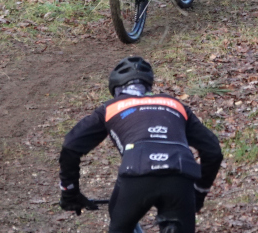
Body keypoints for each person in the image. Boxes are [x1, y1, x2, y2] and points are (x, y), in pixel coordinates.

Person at [58, 56, 223, 233]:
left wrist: (70, 192)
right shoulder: (176, 105)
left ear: (116, 88)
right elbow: (213, 151)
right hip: (180, 173)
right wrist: (199, 192)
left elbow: (70, 146)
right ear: (149, 85)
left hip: (137, 170)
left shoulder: (111, 107)